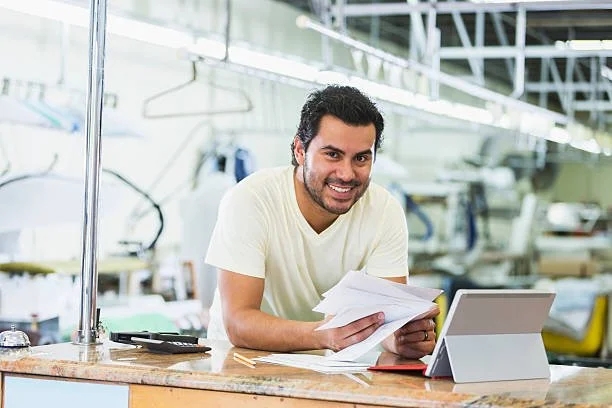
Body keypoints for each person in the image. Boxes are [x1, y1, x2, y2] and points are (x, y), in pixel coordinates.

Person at [205, 85, 439, 359]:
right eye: (332, 154)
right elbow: (239, 322)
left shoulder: (384, 210)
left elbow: (387, 319)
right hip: (239, 362)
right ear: (300, 150)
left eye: (361, 158)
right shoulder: (251, 199)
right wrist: (323, 334)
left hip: (319, 364)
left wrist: (399, 339)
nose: (346, 173)